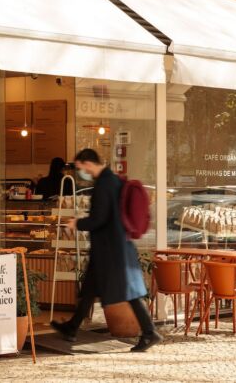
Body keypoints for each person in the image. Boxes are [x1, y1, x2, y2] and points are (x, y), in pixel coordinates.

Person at [50, 149, 162, 352]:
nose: (80, 171)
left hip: (111, 250)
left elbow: (99, 218)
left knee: (129, 293)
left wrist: (77, 223)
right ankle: (72, 328)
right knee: (90, 288)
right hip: (112, 247)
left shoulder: (104, 184)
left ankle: (149, 332)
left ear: (87, 163)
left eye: (79, 167)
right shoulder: (113, 180)